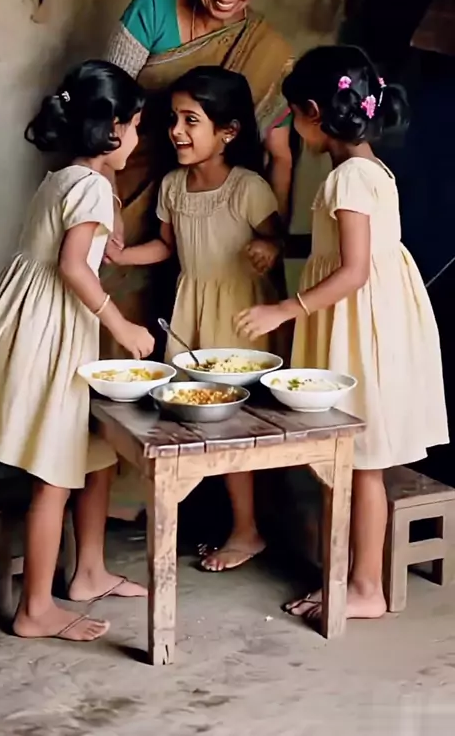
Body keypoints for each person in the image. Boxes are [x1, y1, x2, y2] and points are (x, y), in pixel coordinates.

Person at [236, 45, 449, 620]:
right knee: (353, 461)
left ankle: (365, 588)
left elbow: (352, 271)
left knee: (361, 461)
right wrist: (285, 246)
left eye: (292, 116)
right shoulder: (368, 168)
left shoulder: (349, 178)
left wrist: (284, 309)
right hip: (369, 317)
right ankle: (349, 578)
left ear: (312, 112)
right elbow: (343, 250)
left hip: (361, 323)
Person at [0, 60, 154, 642]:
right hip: (52, 330)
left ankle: (89, 571)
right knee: (55, 474)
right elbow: (76, 267)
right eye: (136, 127)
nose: (140, 139)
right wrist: (123, 326)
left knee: (92, 453)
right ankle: (35, 609)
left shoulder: (67, 177)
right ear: (113, 129)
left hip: (35, 320)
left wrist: (113, 183)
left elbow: (106, 245)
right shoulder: (92, 186)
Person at [106, 66, 283, 571]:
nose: (177, 131)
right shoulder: (173, 186)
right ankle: (210, 520)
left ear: (228, 132)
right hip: (192, 312)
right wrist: (122, 256)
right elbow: (166, 247)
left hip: (240, 317)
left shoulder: (248, 188)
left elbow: (276, 238)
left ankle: (248, 531)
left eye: (191, 120)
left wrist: (270, 247)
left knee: (236, 425)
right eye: (173, 119)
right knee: (191, 417)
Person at [102, 0, 294, 352]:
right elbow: (106, 111)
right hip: (127, 185)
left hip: (219, 218)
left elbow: (279, 154)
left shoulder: (267, 49)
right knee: (117, 321)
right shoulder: (153, 9)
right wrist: (109, 200)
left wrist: (273, 238)